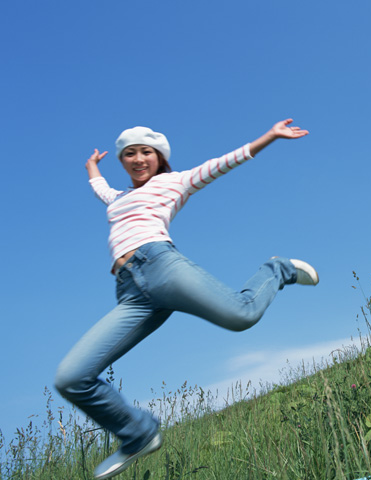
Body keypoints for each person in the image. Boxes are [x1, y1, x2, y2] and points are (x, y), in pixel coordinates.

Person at [54, 119, 318, 479]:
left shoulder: (173, 182)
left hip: (160, 266)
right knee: (71, 378)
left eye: (146, 152)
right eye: (129, 153)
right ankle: (138, 434)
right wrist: (91, 168)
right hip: (130, 292)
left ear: (159, 157)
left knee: (241, 315)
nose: (137, 158)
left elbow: (222, 164)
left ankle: (278, 269)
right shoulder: (118, 198)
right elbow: (100, 189)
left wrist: (269, 137)